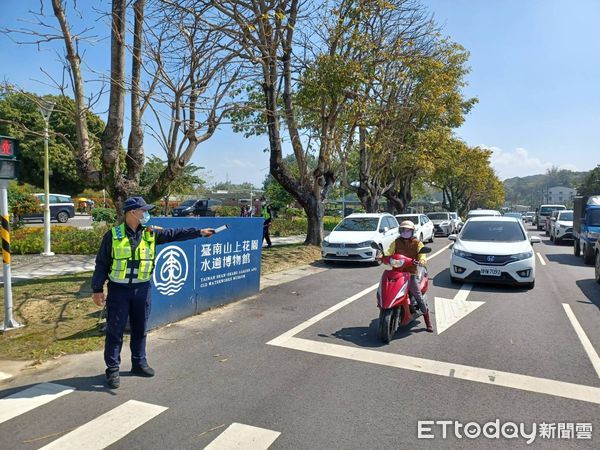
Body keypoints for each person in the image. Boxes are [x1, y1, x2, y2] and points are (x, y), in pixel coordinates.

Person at [91, 196, 216, 389]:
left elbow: (175, 234)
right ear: (133, 212)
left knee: (140, 328)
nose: (147, 214)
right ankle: (113, 369)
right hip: (119, 290)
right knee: (115, 331)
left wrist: (199, 232)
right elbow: (102, 264)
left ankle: (139, 363)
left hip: (142, 289)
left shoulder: (150, 233)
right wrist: (97, 289)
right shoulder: (113, 236)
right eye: (144, 211)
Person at [385, 220, 433, 332]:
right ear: (400, 231)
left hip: (411, 273)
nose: (405, 232)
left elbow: (422, 255)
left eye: (408, 230)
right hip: (397, 272)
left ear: (412, 231)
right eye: (403, 230)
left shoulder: (417, 243)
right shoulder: (396, 242)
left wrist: (422, 260)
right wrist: (382, 255)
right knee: (387, 289)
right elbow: (389, 252)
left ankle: (428, 321)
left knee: (417, 295)